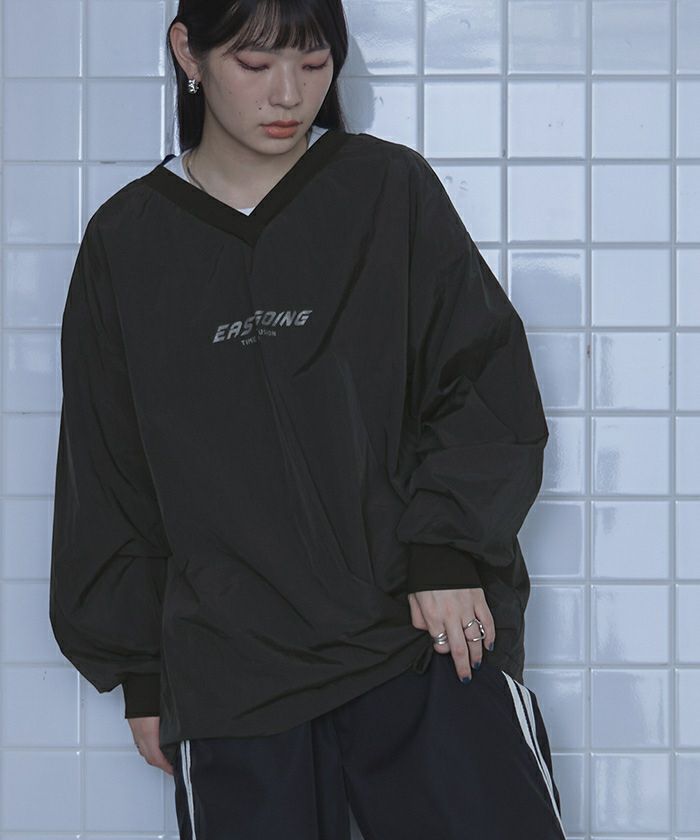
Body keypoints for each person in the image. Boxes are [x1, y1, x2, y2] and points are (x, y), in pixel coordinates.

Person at [49, 1, 566, 838]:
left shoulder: (386, 191)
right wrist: (141, 668)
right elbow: (109, 471)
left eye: (315, 62)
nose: (288, 93)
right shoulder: (126, 242)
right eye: (255, 65)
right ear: (188, 52)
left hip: (423, 640)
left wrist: (445, 548)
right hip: (233, 676)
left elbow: (483, 381)